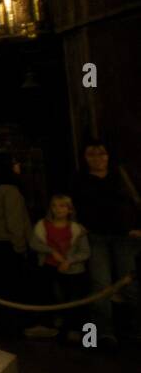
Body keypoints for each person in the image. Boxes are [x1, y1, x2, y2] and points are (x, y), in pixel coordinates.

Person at [72, 140, 141, 346]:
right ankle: (102, 333)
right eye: (91, 154)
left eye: (101, 153)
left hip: (125, 236)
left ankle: (137, 328)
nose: (97, 158)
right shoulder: (80, 180)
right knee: (100, 284)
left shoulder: (122, 176)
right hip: (96, 236)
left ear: (109, 156)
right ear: (85, 158)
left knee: (129, 283)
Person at [0, 153, 33, 338]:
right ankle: (13, 327)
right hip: (7, 246)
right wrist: (21, 248)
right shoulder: (10, 191)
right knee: (12, 290)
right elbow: (15, 223)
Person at [27, 194, 90, 341]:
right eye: (54, 206)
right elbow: (34, 243)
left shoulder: (77, 229)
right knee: (47, 295)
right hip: (48, 265)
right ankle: (49, 325)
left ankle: (73, 328)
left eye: (62, 206)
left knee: (72, 299)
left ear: (69, 209)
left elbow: (85, 252)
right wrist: (51, 251)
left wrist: (69, 261)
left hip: (72, 269)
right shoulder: (42, 225)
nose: (58, 209)